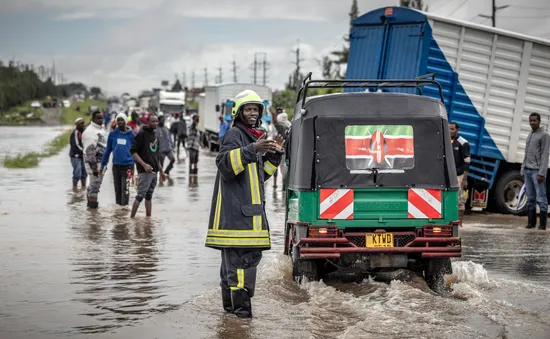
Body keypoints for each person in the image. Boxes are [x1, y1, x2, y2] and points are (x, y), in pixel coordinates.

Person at [205, 90, 284, 318]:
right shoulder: (234, 135)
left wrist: (274, 157)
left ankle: (230, 321)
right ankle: (242, 322)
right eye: (248, 109)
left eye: (256, 109)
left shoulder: (252, 137)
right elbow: (225, 165)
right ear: (238, 112)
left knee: (232, 274)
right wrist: (253, 150)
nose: (252, 113)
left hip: (246, 219)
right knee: (240, 274)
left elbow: (259, 177)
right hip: (238, 223)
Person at [130, 114, 166, 218]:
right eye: (152, 121)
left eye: (156, 121)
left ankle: (148, 219)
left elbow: (156, 156)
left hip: (155, 172)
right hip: (145, 171)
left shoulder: (155, 135)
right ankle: (131, 219)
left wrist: (162, 171)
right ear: (148, 122)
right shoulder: (142, 134)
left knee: (149, 196)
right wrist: (144, 164)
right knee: (140, 196)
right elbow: (133, 151)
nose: (155, 123)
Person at [521, 112, 550, 230]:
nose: (532, 123)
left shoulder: (544, 135)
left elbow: (545, 155)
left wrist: (542, 173)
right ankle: (531, 224)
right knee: (530, 198)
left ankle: (542, 226)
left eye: (534, 121)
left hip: (537, 171)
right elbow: (526, 153)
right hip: (527, 170)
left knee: (541, 198)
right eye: (530, 121)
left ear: (539, 121)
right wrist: (523, 168)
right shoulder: (530, 135)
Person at [100, 113, 136, 206]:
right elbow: (108, 150)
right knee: (118, 190)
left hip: (128, 166)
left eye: (122, 120)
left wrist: (137, 166)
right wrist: (103, 165)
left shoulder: (131, 135)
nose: (120, 122)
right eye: (118, 120)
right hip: (116, 166)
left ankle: (125, 212)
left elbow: (136, 151)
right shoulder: (112, 134)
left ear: (125, 121)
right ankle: (119, 215)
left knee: (126, 190)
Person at [82, 110, 107, 209]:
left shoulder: (100, 129)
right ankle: (93, 214)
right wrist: (94, 169)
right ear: (93, 119)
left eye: (102, 117)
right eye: (98, 118)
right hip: (95, 164)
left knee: (93, 186)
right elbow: (89, 152)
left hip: (100, 163)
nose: (101, 119)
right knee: (95, 187)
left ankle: (90, 210)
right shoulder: (90, 132)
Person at [449, 122, 470, 225]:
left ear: (457, 130)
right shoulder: (445, 141)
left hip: (459, 175)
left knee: (459, 199)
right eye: (448, 129)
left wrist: (464, 179)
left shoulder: (463, 143)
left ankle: (460, 222)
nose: (450, 131)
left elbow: (467, 162)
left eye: (452, 129)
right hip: (447, 175)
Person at [69, 117, 87, 189]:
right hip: (75, 155)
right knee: (77, 172)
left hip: (83, 155)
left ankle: (83, 188)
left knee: (84, 173)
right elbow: (75, 145)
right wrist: (83, 151)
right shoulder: (75, 133)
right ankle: (75, 189)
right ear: (77, 125)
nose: (83, 125)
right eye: (81, 123)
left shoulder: (84, 132)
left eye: (83, 123)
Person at [275, 111, 292, 190]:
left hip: (283, 150)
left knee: (283, 169)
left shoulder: (282, 127)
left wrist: (273, 115)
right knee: (287, 169)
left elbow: (276, 124)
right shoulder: (290, 125)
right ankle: (285, 187)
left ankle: (284, 188)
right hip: (289, 150)